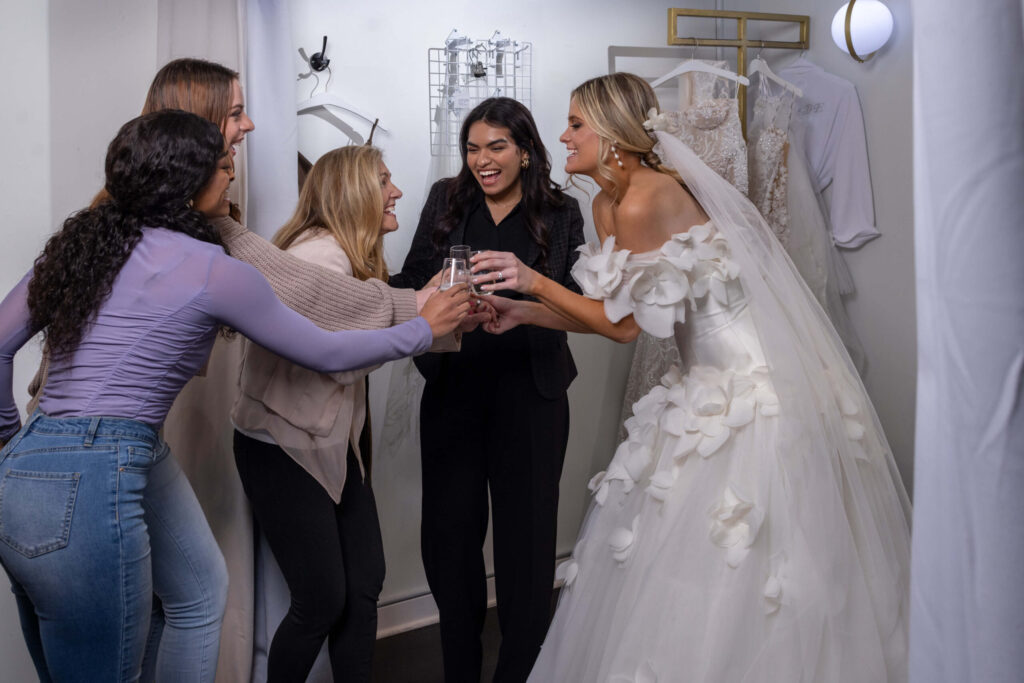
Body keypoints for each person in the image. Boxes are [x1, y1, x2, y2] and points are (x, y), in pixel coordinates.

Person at [0, 110, 470, 682]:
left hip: (48, 461)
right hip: (99, 469)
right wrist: (423, 327)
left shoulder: (80, 246)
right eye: (225, 167)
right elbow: (324, 350)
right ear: (191, 182)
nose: (231, 177)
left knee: (199, 596)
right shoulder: (214, 270)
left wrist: (11, 444)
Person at [476, 73, 912, 682]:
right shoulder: (606, 202)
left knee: (742, 560)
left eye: (576, 123)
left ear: (611, 132)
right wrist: (525, 310)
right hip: (696, 378)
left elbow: (624, 328)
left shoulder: (643, 199)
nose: (563, 135)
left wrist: (531, 282)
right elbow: (616, 316)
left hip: (749, 389)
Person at [231, 145, 461, 681]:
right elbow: (336, 357)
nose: (396, 190)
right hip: (283, 447)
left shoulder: (344, 255)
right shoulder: (319, 257)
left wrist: (434, 307)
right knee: (322, 600)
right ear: (353, 192)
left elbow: (366, 319)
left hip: (331, 441)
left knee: (363, 583)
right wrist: (426, 318)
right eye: (384, 179)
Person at [387, 97, 585, 682]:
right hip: (454, 393)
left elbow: (581, 305)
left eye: (496, 146)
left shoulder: (562, 210)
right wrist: (348, 276)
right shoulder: (445, 201)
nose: (482, 160)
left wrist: (527, 291)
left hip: (533, 395)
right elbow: (410, 282)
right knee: (450, 546)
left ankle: (520, 672)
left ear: (525, 151)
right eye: (473, 148)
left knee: (527, 551)